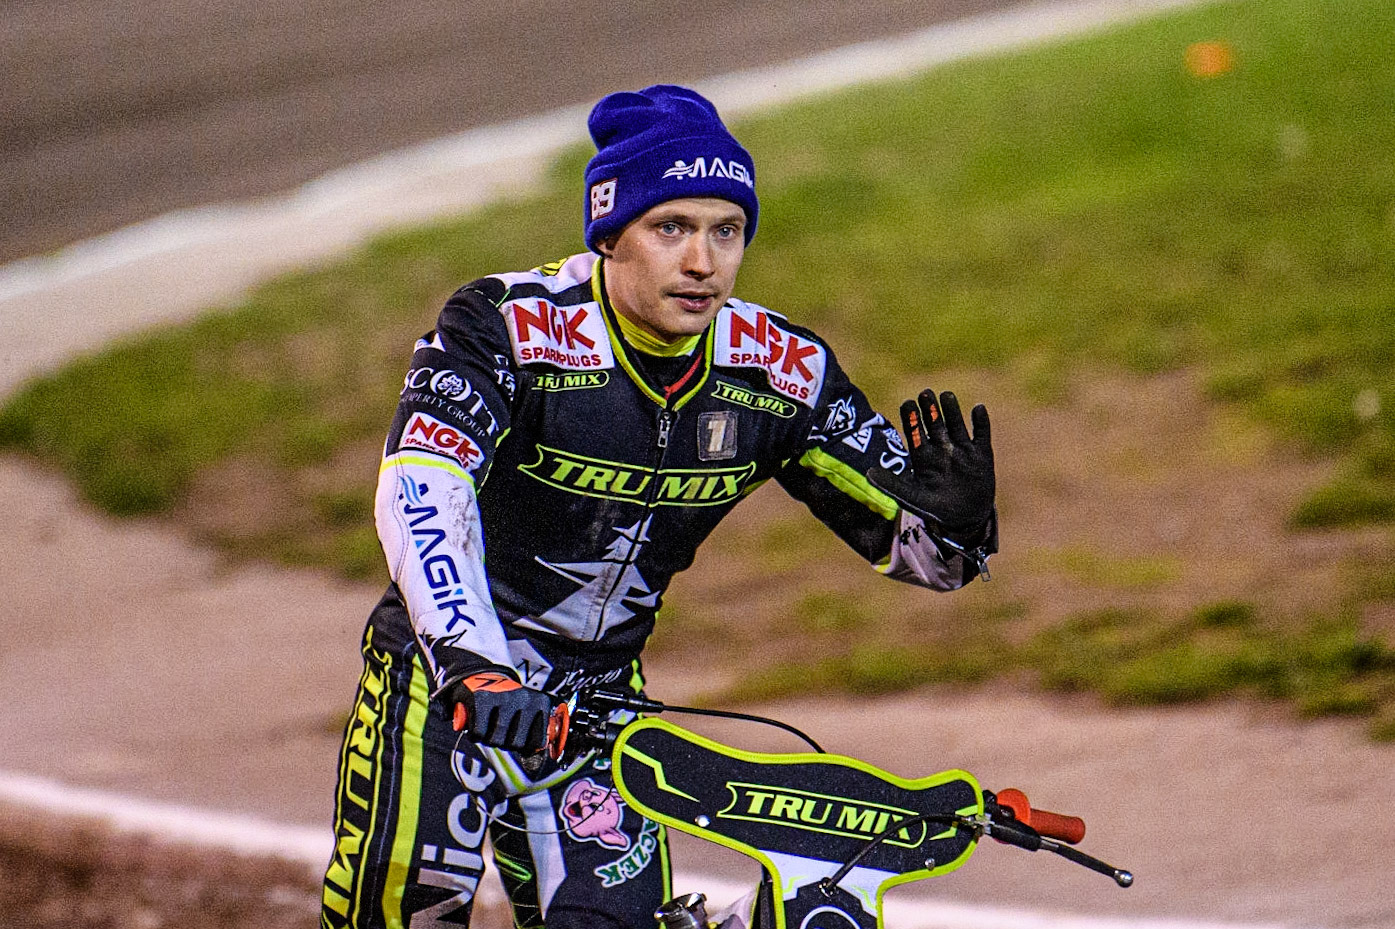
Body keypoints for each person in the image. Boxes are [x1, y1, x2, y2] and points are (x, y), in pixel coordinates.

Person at [320, 84, 996, 929]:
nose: (703, 262)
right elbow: (421, 484)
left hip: (600, 710)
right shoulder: (506, 326)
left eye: (727, 230)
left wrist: (962, 527)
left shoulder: (779, 368)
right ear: (609, 233)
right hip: (445, 687)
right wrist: (469, 655)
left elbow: (924, 557)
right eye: (670, 227)